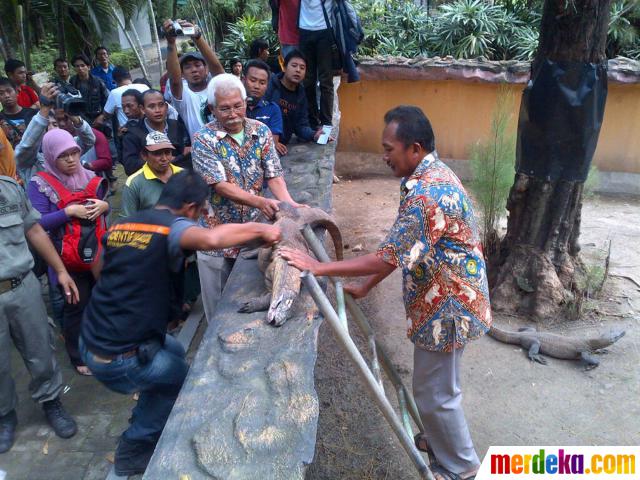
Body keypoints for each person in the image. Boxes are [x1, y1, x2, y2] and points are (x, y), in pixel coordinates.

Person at [280, 106, 490, 480]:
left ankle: (462, 468)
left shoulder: (428, 194)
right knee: (435, 388)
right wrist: (364, 286)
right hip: (444, 297)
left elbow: (384, 258)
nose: (384, 155)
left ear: (415, 148)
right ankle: (444, 447)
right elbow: (401, 250)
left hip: (449, 305)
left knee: (436, 393)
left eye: (389, 148)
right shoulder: (425, 178)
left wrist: (318, 267)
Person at [79, 170, 280, 476]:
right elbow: (212, 239)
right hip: (120, 359)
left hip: (93, 337)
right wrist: (265, 232)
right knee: (181, 381)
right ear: (190, 208)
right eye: (200, 211)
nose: (199, 217)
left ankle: (148, 403)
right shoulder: (170, 229)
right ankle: (133, 450)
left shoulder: (124, 223)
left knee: (173, 352)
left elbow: (97, 264)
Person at [192, 73, 303, 323]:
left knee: (251, 301)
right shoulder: (203, 140)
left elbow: (274, 176)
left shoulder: (261, 131)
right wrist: (262, 202)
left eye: (237, 106)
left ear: (245, 102)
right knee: (218, 311)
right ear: (212, 109)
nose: (232, 114)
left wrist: (290, 205)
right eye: (224, 108)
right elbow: (221, 186)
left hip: (254, 234)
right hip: (216, 236)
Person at [0, 174, 80, 454]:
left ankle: (51, 402)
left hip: (22, 286)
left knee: (39, 349)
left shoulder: (8, 190)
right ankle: (5, 416)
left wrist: (60, 270)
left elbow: (33, 230)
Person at [27, 129, 109, 375]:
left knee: (100, 301)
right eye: (64, 156)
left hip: (95, 253)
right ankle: (78, 357)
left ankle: (101, 347)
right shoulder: (39, 184)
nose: (71, 160)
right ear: (51, 157)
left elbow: (105, 211)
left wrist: (105, 205)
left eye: (74, 153)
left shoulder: (89, 176)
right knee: (75, 306)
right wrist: (68, 212)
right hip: (65, 258)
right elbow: (35, 225)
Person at [14, 83, 96, 190]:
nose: (52, 129)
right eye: (45, 126)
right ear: (35, 131)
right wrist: (44, 109)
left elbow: (89, 140)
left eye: (55, 124)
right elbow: (26, 147)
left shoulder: (68, 147)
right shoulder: (29, 162)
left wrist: (72, 112)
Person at [163, 19, 225, 138]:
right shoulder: (184, 95)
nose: (194, 70)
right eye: (187, 67)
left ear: (206, 69)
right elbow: (175, 82)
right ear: (182, 74)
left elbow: (218, 69)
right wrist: (171, 43)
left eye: (198, 65)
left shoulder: (216, 87)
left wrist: (197, 37)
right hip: (202, 153)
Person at [121, 89, 191, 175]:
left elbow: (187, 156)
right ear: (142, 109)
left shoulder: (176, 126)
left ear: (166, 106)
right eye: (151, 106)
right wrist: (168, 160)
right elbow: (130, 166)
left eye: (161, 105)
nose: (157, 110)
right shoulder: (133, 134)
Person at [265, 50, 321, 155]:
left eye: (302, 68)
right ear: (285, 68)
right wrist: (271, 141)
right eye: (294, 66)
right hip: (264, 143)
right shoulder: (270, 86)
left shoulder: (301, 95)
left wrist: (315, 135)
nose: (298, 70)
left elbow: (301, 125)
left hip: (282, 146)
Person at [122, 132, 183, 216]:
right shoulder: (134, 183)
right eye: (157, 153)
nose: (164, 158)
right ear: (144, 155)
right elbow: (127, 221)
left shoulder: (184, 175)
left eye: (168, 152)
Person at [298, 0, 335, 129]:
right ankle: (312, 122)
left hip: (325, 30)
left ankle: (326, 124)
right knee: (307, 80)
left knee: (326, 81)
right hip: (304, 29)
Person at [93, 67, 149, 133]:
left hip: (128, 131)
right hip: (148, 126)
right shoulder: (144, 87)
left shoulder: (115, 93)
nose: (126, 111)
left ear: (114, 81)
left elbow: (106, 114)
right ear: (129, 76)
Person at [243, 60, 283, 145]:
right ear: (244, 80)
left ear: (267, 85)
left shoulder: (273, 109)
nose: (257, 86)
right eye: (253, 80)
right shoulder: (234, 108)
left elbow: (271, 144)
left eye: (262, 83)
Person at [69, 54, 110, 126]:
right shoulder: (72, 82)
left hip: (98, 118)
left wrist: (102, 116)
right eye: (77, 66)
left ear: (88, 67)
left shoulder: (98, 81)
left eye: (82, 65)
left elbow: (107, 100)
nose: (80, 68)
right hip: (81, 121)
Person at [0, 77, 38, 148]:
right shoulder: (1, 119)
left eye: (9, 91)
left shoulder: (33, 114)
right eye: (1, 93)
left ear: (16, 92)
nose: (7, 96)